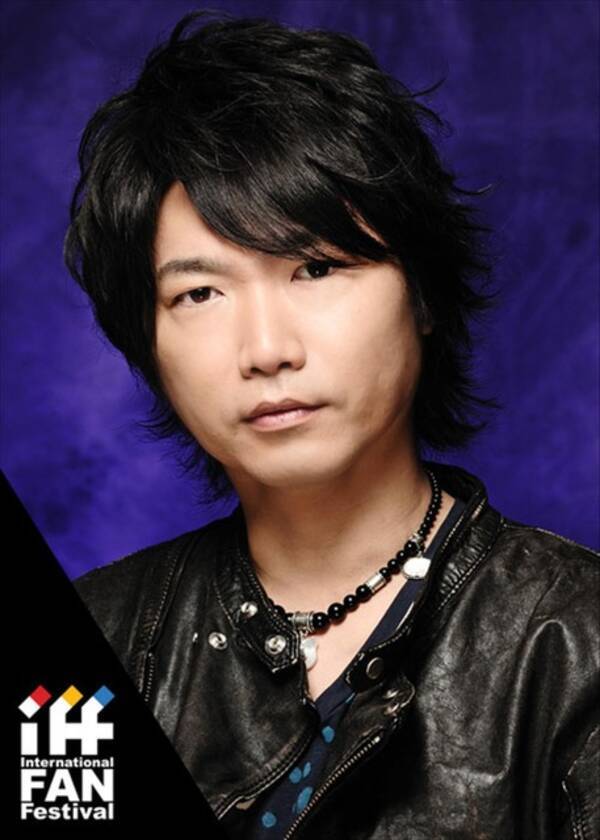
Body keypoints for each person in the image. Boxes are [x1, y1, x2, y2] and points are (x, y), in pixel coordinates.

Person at [66, 9, 599, 839]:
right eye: (199, 293)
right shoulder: (97, 646)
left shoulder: (576, 644)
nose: (266, 349)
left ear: (422, 294)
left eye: (316, 268)